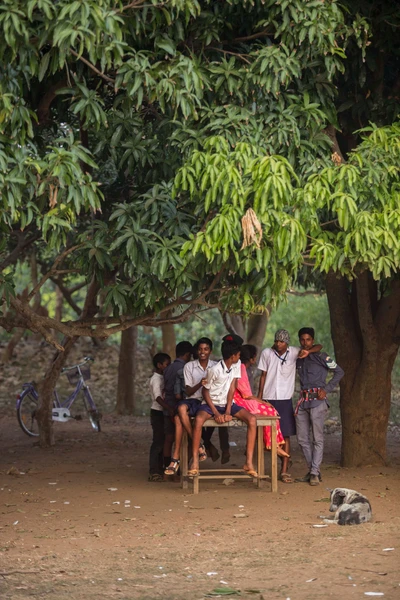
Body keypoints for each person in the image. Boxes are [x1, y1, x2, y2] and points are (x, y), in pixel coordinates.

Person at [257, 329, 322, 483]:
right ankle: (277, 461)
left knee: (285, 435)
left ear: (287, 343)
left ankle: (284, 470)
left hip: (285, 399)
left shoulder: (294, 352)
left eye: (282, 341)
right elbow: (263, 375)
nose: (278, 344)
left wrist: (308, 352)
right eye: (277, 341)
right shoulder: (267, 353)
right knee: (266, 435)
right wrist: (259, 397)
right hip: (268, 398)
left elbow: (319, 346)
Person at [188, 337, 258, 477]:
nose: (240, 357)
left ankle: (248, 463)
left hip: (227, 404)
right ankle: (195, 462)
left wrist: (227, 411)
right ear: (233, 356)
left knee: (252, 420)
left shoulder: (236, 366)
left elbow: (232, 388)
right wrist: (216, 413)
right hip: (211, 404)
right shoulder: (214, 370)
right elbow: (205, 391)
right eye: (238, 355)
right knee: (198, 421)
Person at [294, 327, 344, 486]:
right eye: (302, 339)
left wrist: (327, 389)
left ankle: (314, 472)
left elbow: (339, 372)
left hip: (318, 401)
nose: (305, 342)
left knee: (317, 438)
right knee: (302, 439)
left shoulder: (323, 356)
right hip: (303, 402)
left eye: (308, 339)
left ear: (313, 340)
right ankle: (313, 470)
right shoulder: (299, 358)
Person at [164, 337, 215, 475]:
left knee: (178, 419)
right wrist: (201, 383)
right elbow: (188, 391)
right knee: (180, 409)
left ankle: (175, 459)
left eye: (206, 349)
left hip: (208, 402)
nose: (202, 352)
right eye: (200, 349)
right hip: (192, 400)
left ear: (210, 351)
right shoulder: (189, 366)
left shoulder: (216, 366)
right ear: (196, 351)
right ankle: (198, 445)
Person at [234, 344, 289, 457]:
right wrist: (262, 402)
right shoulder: (241, 368)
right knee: (270, 411)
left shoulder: (243, 368)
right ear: (252, 358)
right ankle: (273, 445)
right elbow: (246, 394)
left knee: (271, 410)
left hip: (241, 399)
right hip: (239, 401)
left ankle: (273, 444)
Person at [163, 341, 193, 471]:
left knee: (169, 439)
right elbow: (180, 394)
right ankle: (181, 469)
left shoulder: (168, 367)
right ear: (187, 355)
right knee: (184, 440)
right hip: (179, 408)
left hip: (167, 408)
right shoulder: (185, 369)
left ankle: (166, 468)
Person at [148, 352, 171, 482]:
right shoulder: (156, 379)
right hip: (158, 412)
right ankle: (154, 470)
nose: (168, 367)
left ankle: (161, 467)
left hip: (163, 412)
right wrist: (169, 408)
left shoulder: (163, 377)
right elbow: (157, 397)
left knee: (164, 441)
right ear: (159, 365)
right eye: (167, 364)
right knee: (158, 441)